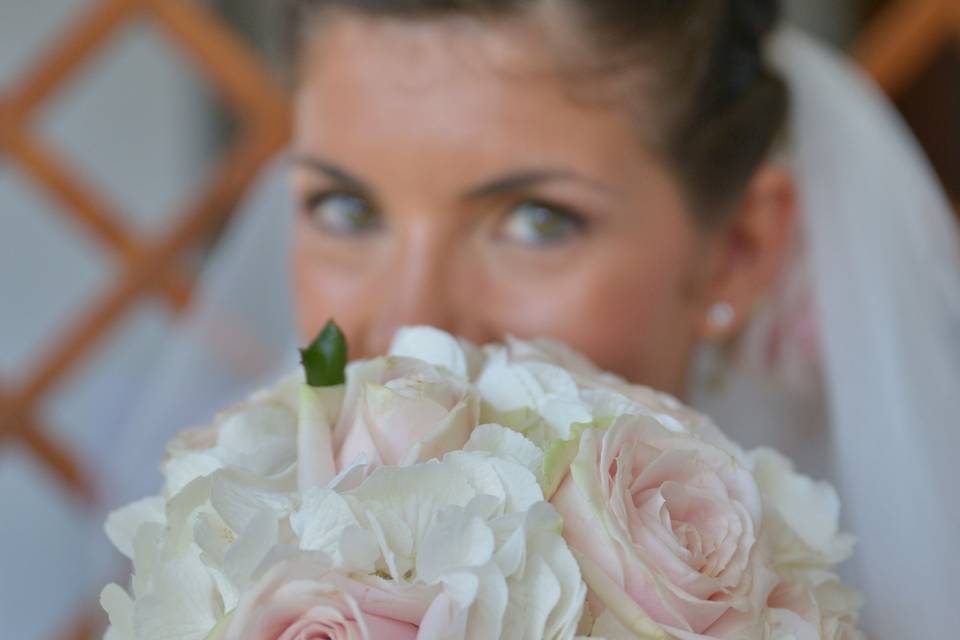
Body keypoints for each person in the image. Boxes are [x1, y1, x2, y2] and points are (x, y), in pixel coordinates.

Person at [109, 0, 960, 636]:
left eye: (536, 220)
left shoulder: (882, 589)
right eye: (344, 207)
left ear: (736, 248)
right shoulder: (216, 563)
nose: (415, 326)